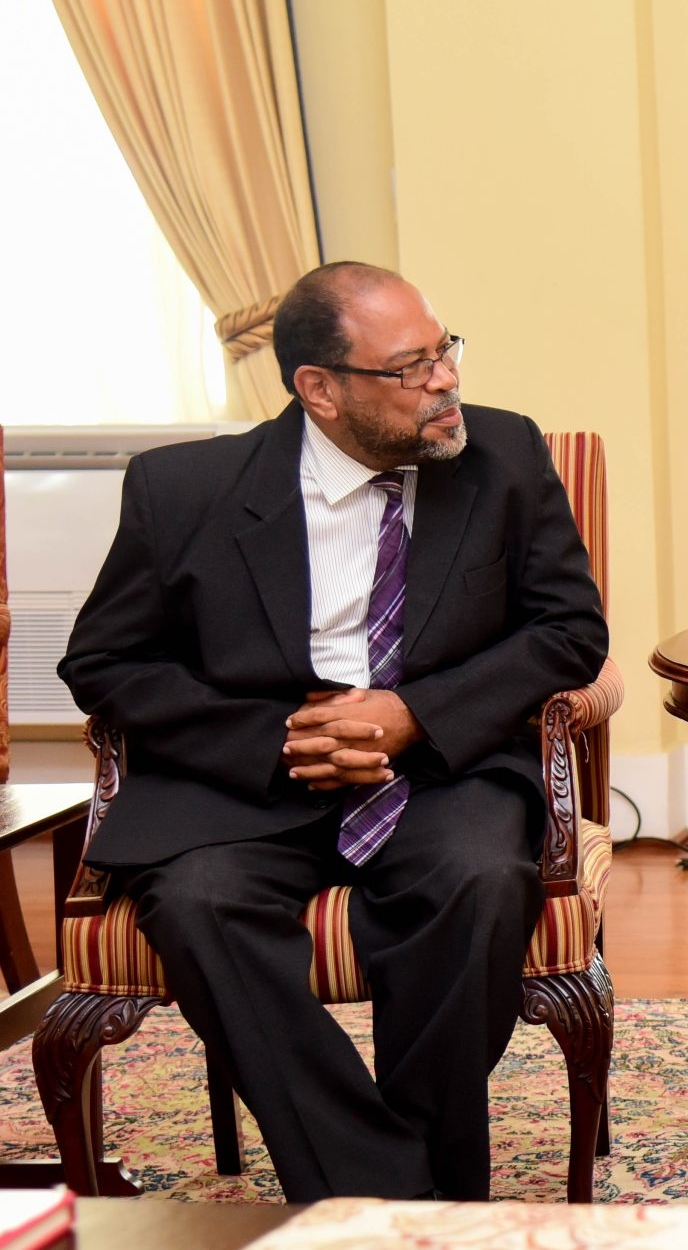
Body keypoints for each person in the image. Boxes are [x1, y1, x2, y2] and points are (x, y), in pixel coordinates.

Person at [60, 262, 609, 1201]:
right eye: (410, 367)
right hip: (248, 784)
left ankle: (374, 1199)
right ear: (320, 389)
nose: (444, 381)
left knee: (479, 883)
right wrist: (273, 736)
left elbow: (570, 632)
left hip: (443, 771)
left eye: (445, 350)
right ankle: (398, 1194)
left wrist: (412, 716)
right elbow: (103, 664)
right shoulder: (181, 490)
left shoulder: (503, 456)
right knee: (197, 902)